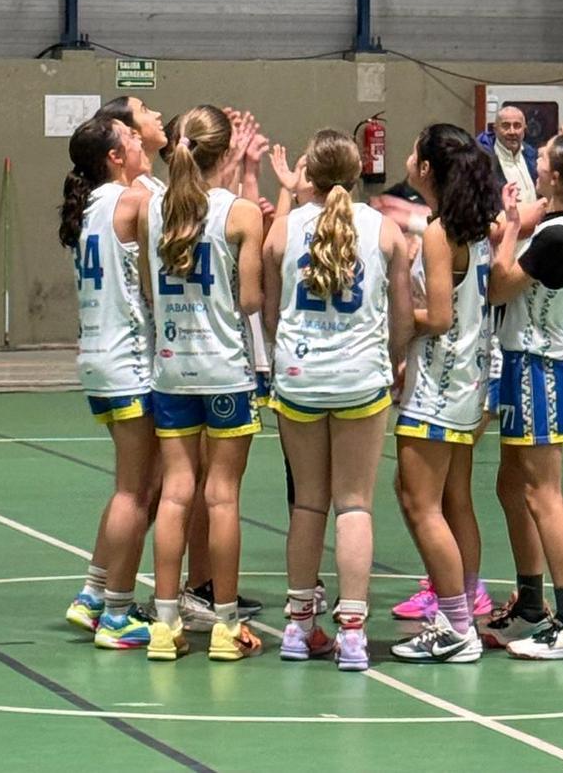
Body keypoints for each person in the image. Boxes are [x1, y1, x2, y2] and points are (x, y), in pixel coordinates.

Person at [264, 130, 412, 673]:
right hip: (360, 380)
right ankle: (353, 632)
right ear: (355, 174)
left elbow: (272, 316)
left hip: (299, 377)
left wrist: (292, 357)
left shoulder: (282, 229)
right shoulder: (385, 230)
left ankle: (299, 626)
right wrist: (393, 360)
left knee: (308, 503)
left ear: (310, 174)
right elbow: (400, 317)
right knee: (354, 504)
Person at [140, 105, 265, 663]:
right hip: (225, 370)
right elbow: (253, 299)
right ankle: (225, 625)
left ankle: (164, 624)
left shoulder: (150, 210)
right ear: (225, 152)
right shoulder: (240, 214)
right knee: (223, 497)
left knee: (175, 494)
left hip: (170, 366)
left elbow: (148, 286)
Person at [482, 133, 563, 660]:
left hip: (539, 366)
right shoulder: (559, 228)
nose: (536, 162)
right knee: (511, 487)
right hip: (519, 363)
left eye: (543, 160)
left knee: (542, 495)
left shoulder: (558, 234)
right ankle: (531, 607)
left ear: (556, 177)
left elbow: (499, 284)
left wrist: (511, 227)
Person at [388, 125, 499, 664]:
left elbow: (439, 314)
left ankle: (455, 627)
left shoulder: (439, 232)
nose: (408, 159)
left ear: (428, 168)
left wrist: (392, 317)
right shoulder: (470, 226)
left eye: (413, 151)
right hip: (467, 381)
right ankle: (464, 609)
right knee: (454, 500)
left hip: (438, 382)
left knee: (417, 500)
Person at [59, 115, 157, 650]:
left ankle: (95, 593)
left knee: (131, 485)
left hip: (98, 356)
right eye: (133, 139)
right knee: (136, 492)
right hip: (129, 361)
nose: (141, 143)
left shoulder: (90, 206)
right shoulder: (132, 203)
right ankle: (117, 615)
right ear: (115, 157)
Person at [476, 104, 538, 204]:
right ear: (495, 129)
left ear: (525, 129)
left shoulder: (532, 157)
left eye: (517, 126)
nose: (512, 131)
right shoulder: (483, 160)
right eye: (506, 126)